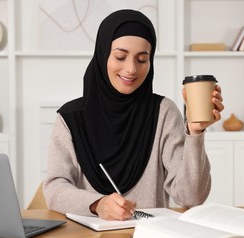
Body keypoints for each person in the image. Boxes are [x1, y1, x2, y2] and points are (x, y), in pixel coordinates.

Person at [43, 9, 224, 220]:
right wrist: (97, 204)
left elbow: (192, 198)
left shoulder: (163, 112)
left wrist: (195, 132)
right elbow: (54, 188)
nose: (131, 69)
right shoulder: (71, 118)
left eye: (142, 59)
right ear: (103, 56)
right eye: (120, 56)